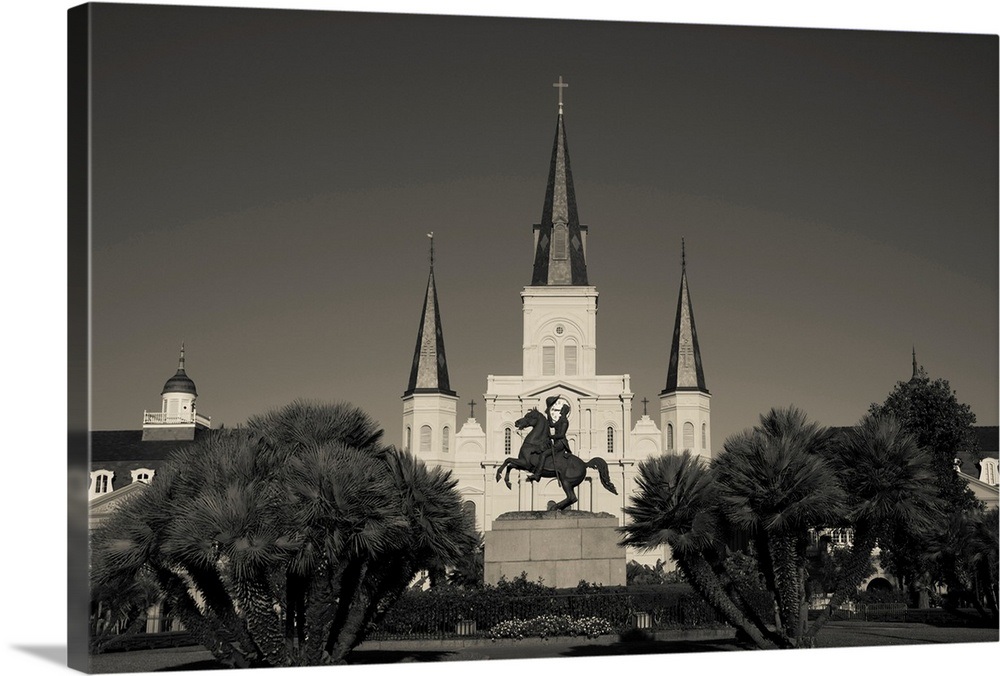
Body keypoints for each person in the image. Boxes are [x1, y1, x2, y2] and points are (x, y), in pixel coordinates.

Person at [529, 396, 572, 483]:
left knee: (544, 454)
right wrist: (548, 411)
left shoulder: (564, 421)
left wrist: (552, 437)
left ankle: (537, 475)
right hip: (556, 442)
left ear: (565, 411)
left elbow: (561, 435)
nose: (561, 410)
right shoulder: (560, 420)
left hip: (560, 443)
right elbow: (551, 424)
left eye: (562, 409)